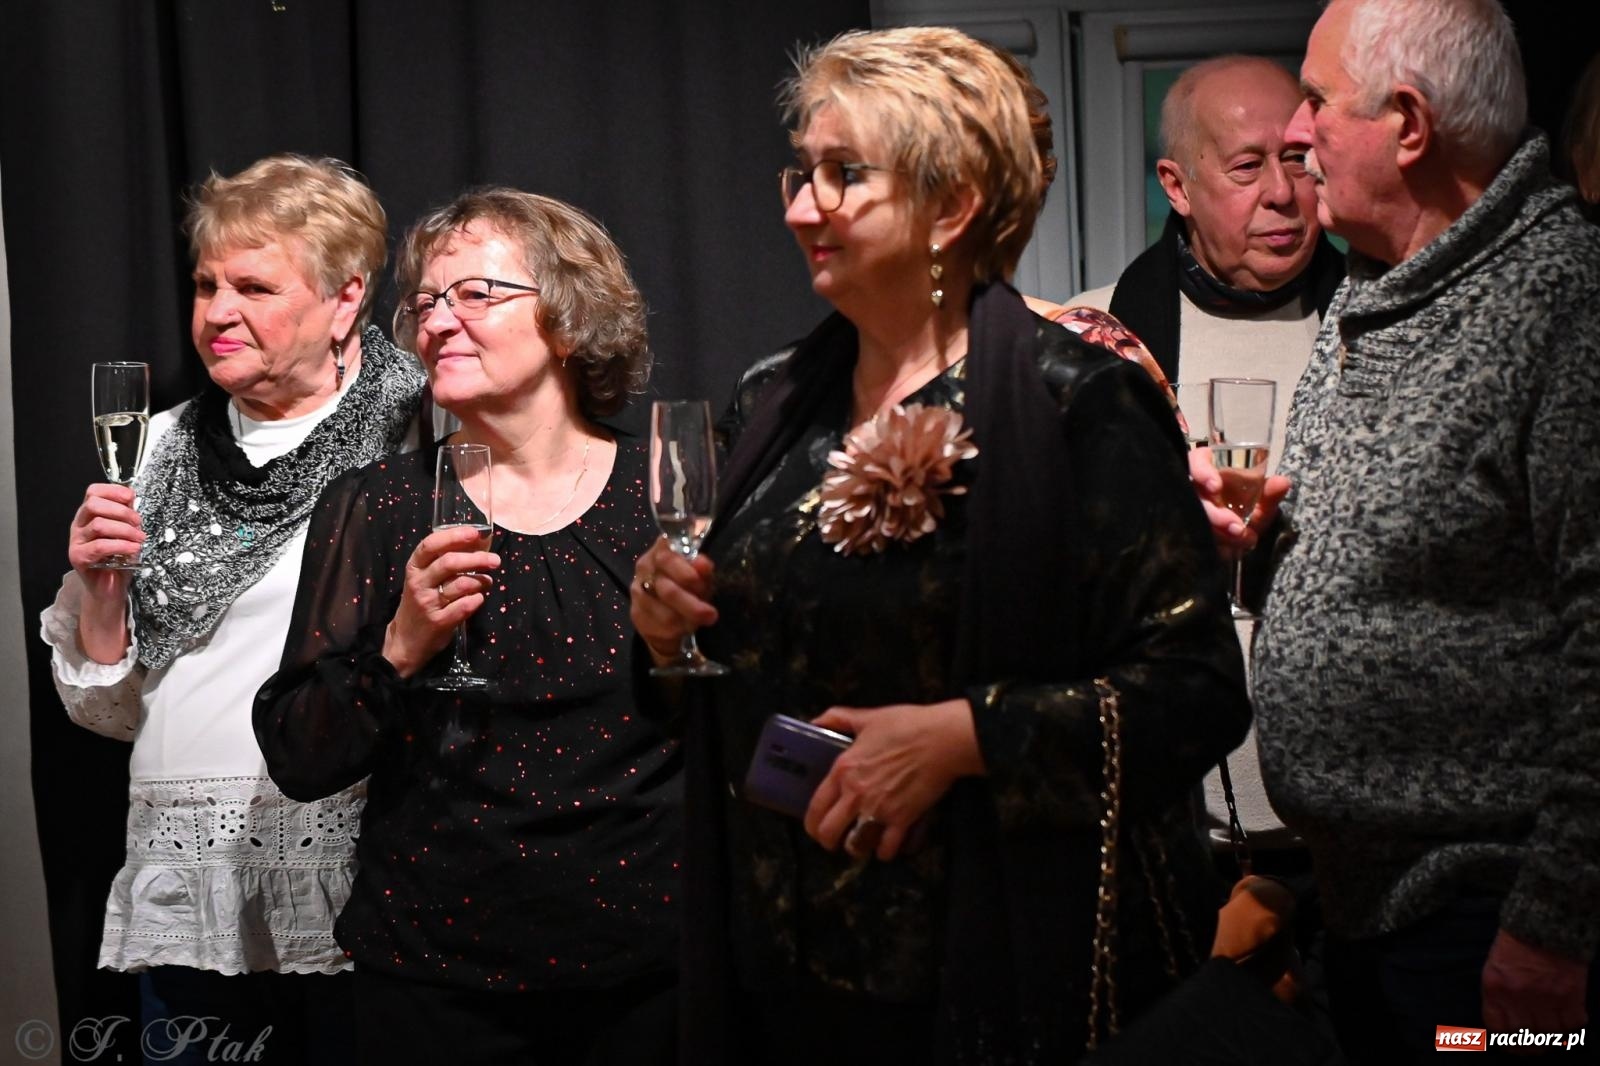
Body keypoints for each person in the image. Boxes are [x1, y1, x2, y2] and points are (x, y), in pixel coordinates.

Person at [629, 26, 1250, 1065]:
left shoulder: (1074, 400)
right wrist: (662, 633)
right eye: (800, 174)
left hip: (981, 974)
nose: (800, 208)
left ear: (951, 206)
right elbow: (724, 673)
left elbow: (1195, 693)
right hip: (778, 965)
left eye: (843, 175)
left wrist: (965, 737)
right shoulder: (774, 399)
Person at [1194, 0, 1600, 1056]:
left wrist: (1555, 925)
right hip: (1365, 910)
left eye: (1318, 102)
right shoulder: (1373, 287)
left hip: (1493, 925)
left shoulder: (1563, 303)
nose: (1297, 135)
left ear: (1409, 125)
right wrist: (1262, 541)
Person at [254, 188, 680, 1065]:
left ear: (568, 318)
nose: (437, 322)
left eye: (475, 294)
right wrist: (401, 648)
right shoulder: (378, 505)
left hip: (651, 973)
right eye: (425, 303)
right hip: (435, 982)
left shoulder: (666, 492)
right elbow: (299, 754)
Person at [39, 154, 425, 1063]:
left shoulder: (416, 434)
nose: (217, 312)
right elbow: (107, 708)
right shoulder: (159, 445)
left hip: (359, 878)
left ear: (345, 299)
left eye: (253, 287)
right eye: (207, 284)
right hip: (189, 889)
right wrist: (103, 594)